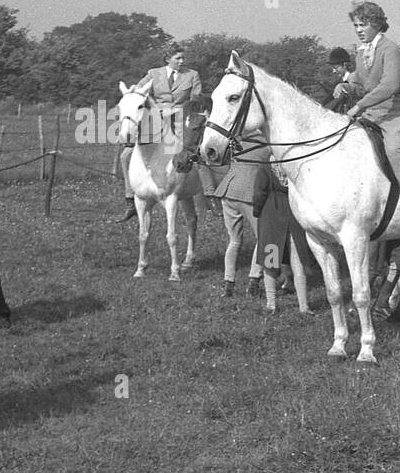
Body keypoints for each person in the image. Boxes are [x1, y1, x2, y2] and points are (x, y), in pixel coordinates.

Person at [344, 1, 400, 229]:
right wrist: (347, 87)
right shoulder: (361, 53)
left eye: (363, 24)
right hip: (372, 115)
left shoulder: (392, 50)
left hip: (394, 114)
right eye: (356, 25)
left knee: (393, 150)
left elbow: (389, 86)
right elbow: (365, 85)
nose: (359, 30)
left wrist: (358, 105)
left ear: (377, 25)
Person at [119, 44, 202, 221]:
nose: (182, 61)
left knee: (194, 153)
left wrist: (182, 112)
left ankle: (209, 192)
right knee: (125, 156)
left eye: (183, 58)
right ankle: (130, 199)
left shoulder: (192, 75)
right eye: (178, 58)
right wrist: (131, 92)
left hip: (180, 119)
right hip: (156, 120)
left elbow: (196, 100)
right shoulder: (153, 73)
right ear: (168, 59)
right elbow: (139, 90)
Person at [251, 160, 312, 314]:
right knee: (297, 263)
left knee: (270, 263)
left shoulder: (265, 166)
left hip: (271, 216)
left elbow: (259, 192)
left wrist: (257, 211)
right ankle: (304, 306)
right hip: (294, 215)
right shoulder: (294, 164)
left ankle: (271, 304)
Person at [210, 129, 264, 297]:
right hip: (249, 193)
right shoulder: (269, 141)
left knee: (234, 241)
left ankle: (229, 283)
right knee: (265, 240)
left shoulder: (240, 138)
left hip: (228, 191)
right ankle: (255, 281)